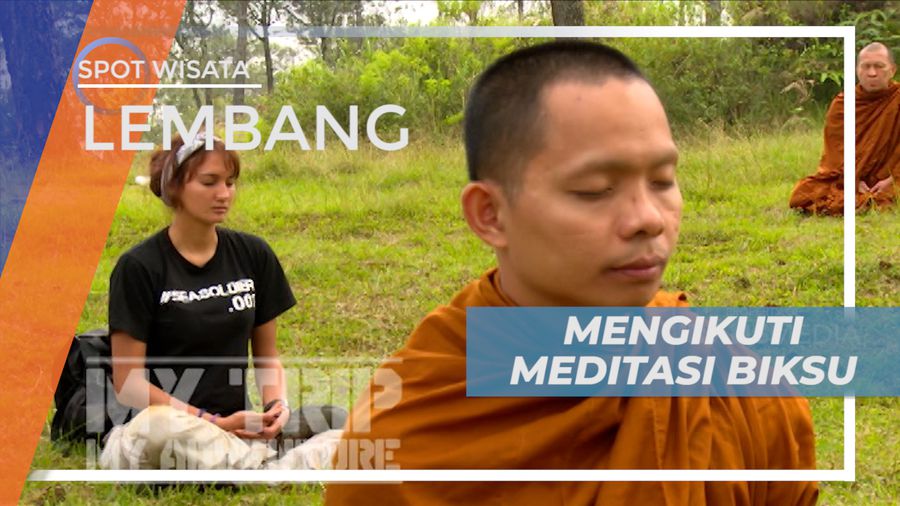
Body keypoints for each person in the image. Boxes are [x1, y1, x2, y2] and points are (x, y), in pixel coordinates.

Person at [326, 41, 817, 505]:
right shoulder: (405, 439)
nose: (649, 217)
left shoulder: (733, 384)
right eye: (595, 189)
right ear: (490, 214)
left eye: (663, 181)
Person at [100, 135, 345, 470]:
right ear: (175, 189)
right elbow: (129, 384)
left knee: (336, 417)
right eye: (209, 182)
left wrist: (277, 406)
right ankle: (270, 466)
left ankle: (252, 462)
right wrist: (210, 421)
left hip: (235, 429)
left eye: (230, 183)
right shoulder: (140, 266)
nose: (224, 194)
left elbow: (267, 357)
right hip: (169, 426)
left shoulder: (252, 254)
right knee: (159, 431)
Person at [789, 42, 900, 215]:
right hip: (851, 179)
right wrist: (854, 181)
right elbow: (835, 153)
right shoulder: (843, 103)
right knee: (802, 194)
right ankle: (864, 198)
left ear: (892, 70)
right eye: (866, 67)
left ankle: (869, 198)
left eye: (879, 66)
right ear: (857, 70)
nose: (872, 73)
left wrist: (892, 179)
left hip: (892, 177)